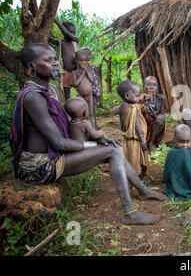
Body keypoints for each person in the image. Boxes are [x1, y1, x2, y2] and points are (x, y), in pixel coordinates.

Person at [9, 43, 166, 225]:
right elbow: (59, 143)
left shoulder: (48, 91)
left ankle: (143, 190)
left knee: (111, 147)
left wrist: (97, 137)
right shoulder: (33, 97)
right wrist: (95, 144)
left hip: (51, 156)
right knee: (112, 150)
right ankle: (130, 212)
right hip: (39, 166)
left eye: (55, 59)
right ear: (31, 66)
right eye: (47, 60)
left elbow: (63, 126)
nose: (55, 64)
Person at [115, 80, 150, 180]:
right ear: (127, 96)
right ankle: (138, 186)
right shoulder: (132, 109)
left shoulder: (122, 107)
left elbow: (115, 110)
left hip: (127, 142)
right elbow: (137, 126)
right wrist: (143, 140)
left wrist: (138, 98)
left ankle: (134, 184)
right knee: (136, 164)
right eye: (136, 95)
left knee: (130, 162)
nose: (138, 97)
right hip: (136, 141)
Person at [162, 124, 191, 200]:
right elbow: (189, 170)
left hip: (171, 181)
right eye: (181, 142)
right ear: (174, 140)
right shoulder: (184, 153)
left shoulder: (172, 151)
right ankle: (187, 188)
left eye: (188, 142)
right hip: (178, 181)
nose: (185, 145)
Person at [48, 19, 79, 102]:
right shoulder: (61, 43)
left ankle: (82, 108)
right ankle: (68, 107)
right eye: (71, 32)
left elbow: (67, 33)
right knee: (66, 93)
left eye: (74, 32)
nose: (73, 34)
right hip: (66, 72)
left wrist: (56, 21)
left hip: (77, 71)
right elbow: (50, 39)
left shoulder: (75, 40)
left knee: (82, 90)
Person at [72, 49, 98, 129]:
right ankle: (81, 129)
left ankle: (93, 128)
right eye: (81, 60)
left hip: (90, 96)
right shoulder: (74, 72)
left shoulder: (89, 70)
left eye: (85, 61)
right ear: (76, 61)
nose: (83, 63)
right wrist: (82, 74)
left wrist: (86, 71)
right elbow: (76, 83)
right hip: (81, 96)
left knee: (91, 113)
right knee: (81, 114)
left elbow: (91, 79)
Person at [140, 76, 166, 153]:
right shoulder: (140, 98)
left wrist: (155, 115)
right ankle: (142, 142)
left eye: (154, 84)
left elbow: (162, 113)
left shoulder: (161, 98)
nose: (151, 87)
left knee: (161, 118)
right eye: (148, 84)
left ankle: (152, 142)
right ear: (144, 86)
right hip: (142, 125)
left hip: (154, 125)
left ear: (157, 87)